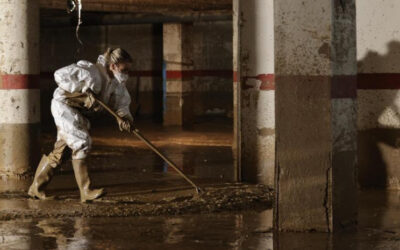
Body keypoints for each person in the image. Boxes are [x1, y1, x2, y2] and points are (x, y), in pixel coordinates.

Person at [28, 48, 134, 202]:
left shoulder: (117, 84)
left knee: (61, 152)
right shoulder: (91, 72)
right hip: (64, 107)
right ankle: (86, 191)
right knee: (81, 142)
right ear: (113, 66)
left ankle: (36, 189)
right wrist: (83, 93)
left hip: (77, 114)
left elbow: (122, 104)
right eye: (125, 69)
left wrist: (125, 119)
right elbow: (59, 74)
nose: (127, 73)